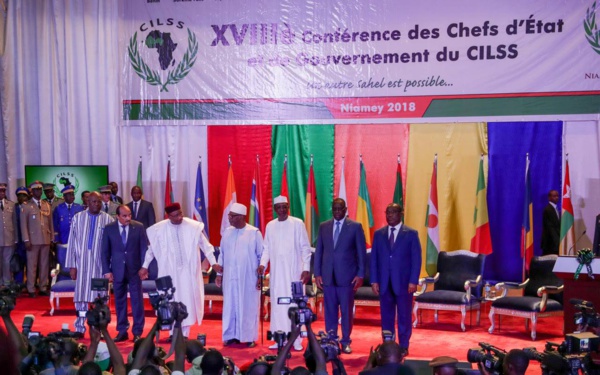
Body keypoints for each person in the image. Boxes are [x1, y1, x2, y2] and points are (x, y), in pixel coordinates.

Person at [139, 202, 221, 338]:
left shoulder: (193, 227)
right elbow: (151, 250)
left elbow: (206, 246)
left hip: (187, 272)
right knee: (170, 300)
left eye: (180, 213)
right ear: (168, 216)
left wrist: (214, 262)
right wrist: (144, 266)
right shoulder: (159, 229)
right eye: (175, 215)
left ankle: (185, 333)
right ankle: (172, 332)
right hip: (168, 271)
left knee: (187, 300)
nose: (179, 217)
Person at [258, 195, 311, 351]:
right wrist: (262, 264)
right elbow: (266, 248)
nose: (282, 210)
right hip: (277, 276)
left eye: (284, 207)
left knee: (294, 305)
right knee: (277, 305)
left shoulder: (297, 224)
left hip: (294, 273)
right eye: (279, 207)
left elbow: (305, 247)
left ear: (288, 207)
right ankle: (278, 337)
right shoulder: (270, 226)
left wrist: (306, 268)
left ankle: (296, 341)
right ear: (275, 209)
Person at [314, 197, 366, 354]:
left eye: (340, 209)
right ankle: (331, 341)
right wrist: (317, 274)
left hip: (347, 278)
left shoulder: (355, 227)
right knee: (329, 311)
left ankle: (345, 341)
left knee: (346, 312)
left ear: (345, 210)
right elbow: (319, 252)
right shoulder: (324, 226)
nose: (337, 212)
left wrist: (360, 274)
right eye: (335, 209)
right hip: (328, 278)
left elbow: (361, 253)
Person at [370, 203, 421, 357]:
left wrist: (413, 281)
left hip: (404, 284)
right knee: (386, 315)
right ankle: (388, 344)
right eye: (388, 212)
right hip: (384, 283)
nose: (390, 215)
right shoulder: (379, 234)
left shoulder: (411, 234)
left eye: (393, 212)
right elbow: (374, 260)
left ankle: (404, 345)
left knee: (404, 315)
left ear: (401, 214)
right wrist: (374, 281)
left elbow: (416, 259)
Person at [65, 191, 114, 334]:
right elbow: (72, 243)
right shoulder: (77, 218)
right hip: (82, 265)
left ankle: (101, 328)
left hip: (100, 267)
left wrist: (109, 269)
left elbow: (111, 247)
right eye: (93, 201)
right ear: (87, 202)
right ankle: (79, 327)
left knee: (101, 298)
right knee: (81, 297)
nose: (96, 204)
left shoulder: (108, 220)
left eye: (98, 202)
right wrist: (72, 266)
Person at [216, 203, 262, 347]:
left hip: (248, 278)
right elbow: (221, 254)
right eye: (229, 215)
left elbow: (261, 255)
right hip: (230, 277)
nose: (229, 218)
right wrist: (219, 273)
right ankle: (231, 335)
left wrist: (261, 278)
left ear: (241, 217)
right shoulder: (227, 232)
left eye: (232, 216)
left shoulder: (254, 233)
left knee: (248, 306)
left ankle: (248, 337)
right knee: (230, 305)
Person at [102, 205, 148, 342]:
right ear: (118, 216)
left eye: (129, 215)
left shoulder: (139, 227)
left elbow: (144, 249)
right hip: (117, 271)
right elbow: (105, 251)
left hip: (135, 270)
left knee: (137, 301)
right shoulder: (109, 228)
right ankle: (122, 331)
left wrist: (144, 267)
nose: (128, 218)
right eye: (125, 216)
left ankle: (137, 332)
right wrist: (107, 271)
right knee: (119, 302)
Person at [20, 180, 54, 297]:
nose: (39, 191)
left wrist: (52, 238)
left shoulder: (46, 205)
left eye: (40, 189)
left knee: (44, 265)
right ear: (32, 191)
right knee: (32, 265)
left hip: (45, 239)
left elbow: (50, 223)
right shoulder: (26, 206)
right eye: (36, 190)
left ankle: (43, 287)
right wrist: (26, 240)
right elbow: (23, 225)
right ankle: (31, 288)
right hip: (32, 241)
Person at [53, 185, 84, 279]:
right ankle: (63, 279)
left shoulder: (79, 207)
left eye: (73, 194)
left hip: (77, 240)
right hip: (63, 240)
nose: (72, 196)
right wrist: (57, 240)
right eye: (70, 194)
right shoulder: (58, 208)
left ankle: (77, 279)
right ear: (64, 196)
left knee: (77, 260)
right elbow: (55, 225)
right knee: (63, 262)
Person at [0, 183, 17, 287]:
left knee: (7, 262)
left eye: (3, 191)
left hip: (8, 238)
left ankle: (6, 283)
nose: (2, 193)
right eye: (0, 191)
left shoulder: (11, 205)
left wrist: (16, 239)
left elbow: (14, 222)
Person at [13, 186, 29, 284]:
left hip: (29, 241)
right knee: (18, 263)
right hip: (18, 241)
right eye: (19, 196)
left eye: (24, 195)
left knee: (30, 264)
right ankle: (18, 284)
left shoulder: (31, 207)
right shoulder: (14, 207)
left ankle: (30, 283)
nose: (22, 198)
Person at [541, 190, 560, 256]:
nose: (557, 197)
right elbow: (550, 228)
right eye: (554, 196)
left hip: (555, 243)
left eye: (557, 196)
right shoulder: (548, 210)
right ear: (549, 197)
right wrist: (557, 242)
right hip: (550, 244)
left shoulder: (557, 209)